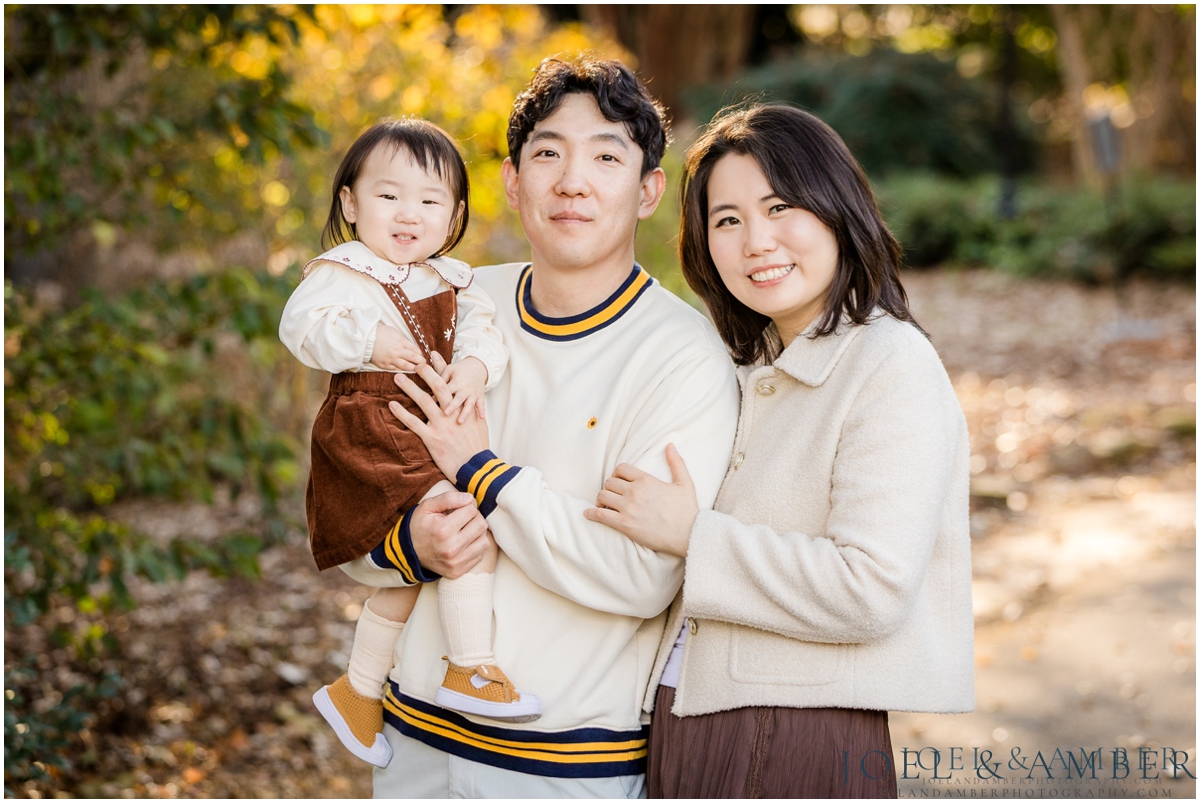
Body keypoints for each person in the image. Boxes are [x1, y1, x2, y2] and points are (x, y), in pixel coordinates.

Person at [339, 57, 740, 798]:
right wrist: (409, 545)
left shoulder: (683, 358)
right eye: (549, 153)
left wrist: (485, 475)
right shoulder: (449, 306)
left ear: (649, 189)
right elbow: (347, 499)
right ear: (513, 181)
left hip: (561, 767)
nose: (573, 181)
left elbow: (639, 575)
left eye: (607, 156)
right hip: (411, 748)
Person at [587, 104, 975, 798]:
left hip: (789, 731)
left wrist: (692, 535)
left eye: (780, 206)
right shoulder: (748, 365)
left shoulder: (889, 363)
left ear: (836, 208)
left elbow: (871, 587)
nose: (755, 240)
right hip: (688, 716)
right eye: (727, 219)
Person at [278, 118, 540, 770]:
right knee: (462, 530)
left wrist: (473, 369)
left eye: (429, 201)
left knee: (416, 565)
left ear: (453, 213)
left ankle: (359, 690)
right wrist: (367, 341)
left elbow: (485, 332)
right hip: (371, 428)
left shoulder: (451, 280)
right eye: (389, 195)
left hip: (426, 427)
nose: (408, 214)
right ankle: (472, 666)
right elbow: (300, 327)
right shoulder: (345, 272)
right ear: (350, 203)